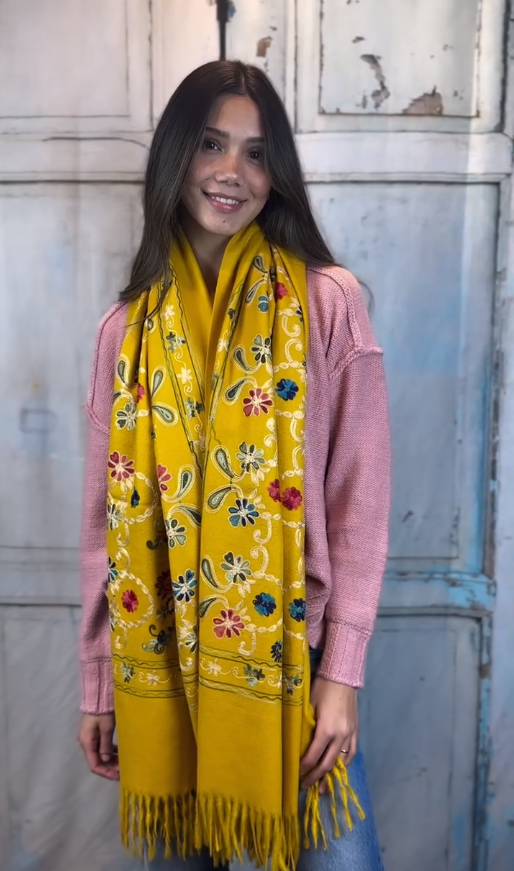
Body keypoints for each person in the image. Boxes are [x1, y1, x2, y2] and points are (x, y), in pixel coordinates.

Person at [78, 60, 390, 871]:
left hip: (298, 660)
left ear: (276, 173)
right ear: (176, 155)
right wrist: (99, 681)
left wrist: (344, 677)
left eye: (256, 153)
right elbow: (99, 527)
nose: (231, 172)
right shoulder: (126, 329)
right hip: (164, 663)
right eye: (212, 144)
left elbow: (359, 505)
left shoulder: (328, 303)